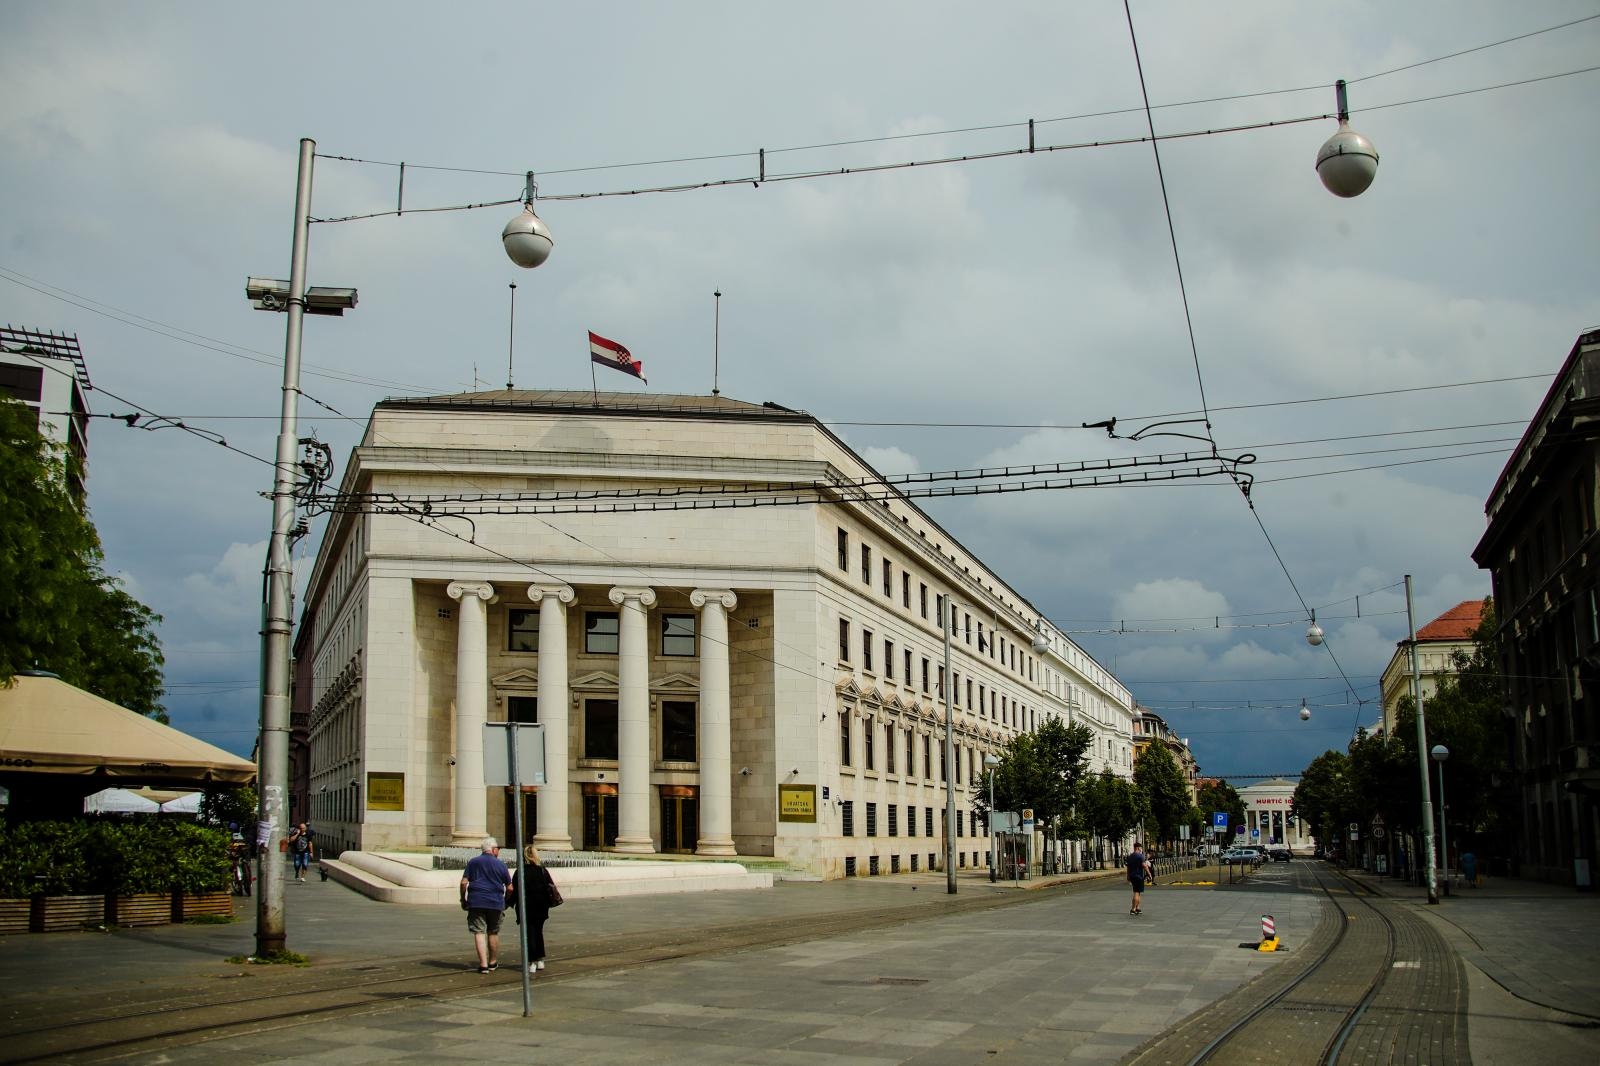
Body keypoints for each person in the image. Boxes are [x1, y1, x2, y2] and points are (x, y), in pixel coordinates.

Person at [460, 836, 513, 974]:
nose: (499, 852)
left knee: (479, 932)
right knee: (493, 932)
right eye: (498, 849)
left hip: (476, 901)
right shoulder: (500, 864)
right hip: (495, 902)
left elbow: (463, 883)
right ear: (494, 850)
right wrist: (506, 900)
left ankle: (483, 965)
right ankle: (492, 962)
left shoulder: (473, 862)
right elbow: (510, 887)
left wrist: (463, 899)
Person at [511, 844, 557, 974]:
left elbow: (514, 891)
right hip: (541, 906)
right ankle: (540, 959)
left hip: (526, 906)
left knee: (529, 933)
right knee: (538, 932)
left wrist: (508, 903)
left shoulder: (520, 871)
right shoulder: (542, 870)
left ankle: (532, 961)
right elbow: (550, 886)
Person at [1126, 840, 1153, 916]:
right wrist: (1149, 874)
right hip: (1138, 876)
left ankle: (1137, 907)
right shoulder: (1140, 856)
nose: (1141, 849)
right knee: (1136, 892)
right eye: (1140, 848)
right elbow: (1144, 866)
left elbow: (1128, 867)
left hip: (1132, 876)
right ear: (1138, 848)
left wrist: (1127, 876)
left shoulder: (1130, 856)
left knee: (1138, 892)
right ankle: (1133, 909)